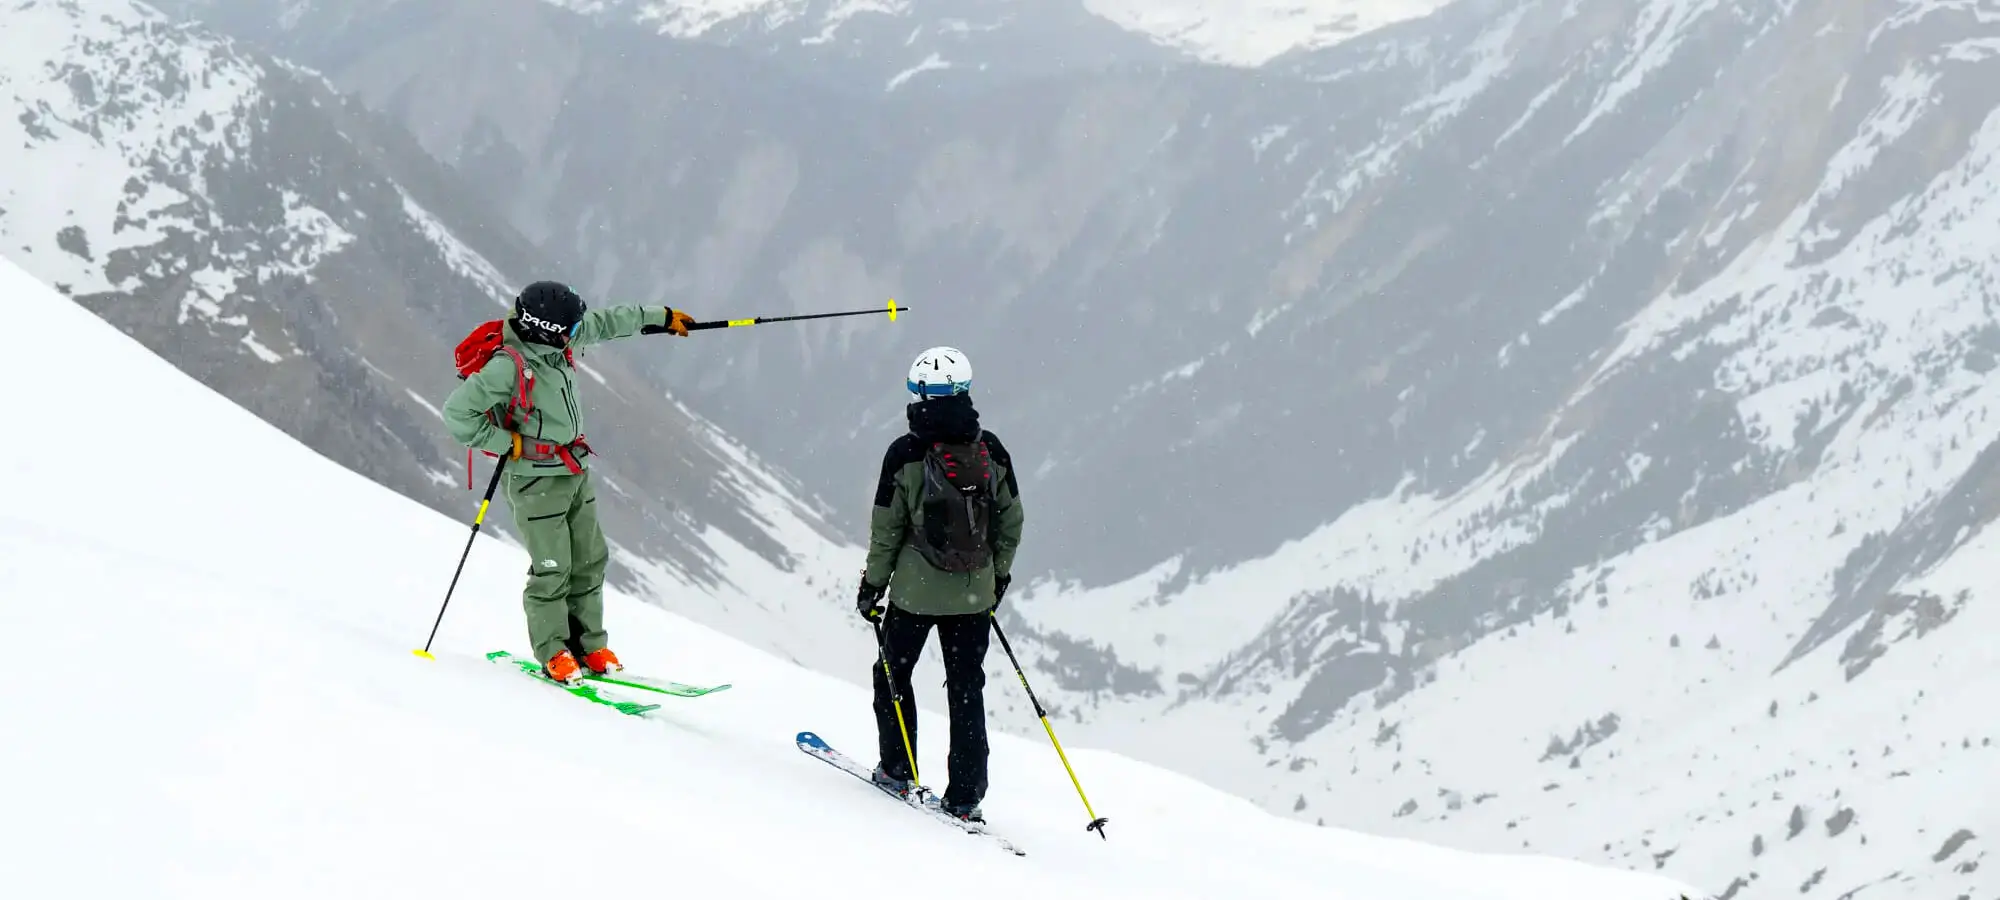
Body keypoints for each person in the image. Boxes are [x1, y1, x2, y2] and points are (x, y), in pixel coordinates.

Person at [443, 280, 696, 685]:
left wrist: (661, 318)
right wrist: (507, 443)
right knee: (553, 568)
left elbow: (607, 322)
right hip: (534, 482)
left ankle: (590, 645)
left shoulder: (557, 342)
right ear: (547, 329)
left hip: (573, 470)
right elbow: (457, 414)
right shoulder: (508, 366)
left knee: (590, 559)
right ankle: (554, 651)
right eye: (571, 329)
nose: (580, 332)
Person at [854, 346, 1025, 824]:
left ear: (918, 395)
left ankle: (897, 770)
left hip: (912, 596)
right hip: (975, 595)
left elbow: (886, 530)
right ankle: (965, 796)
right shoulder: (991, 450)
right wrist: (998, 576)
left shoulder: (903, 454)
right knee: (967, 689)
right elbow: (1012, 521)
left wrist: (873, 588)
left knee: (893, 674)